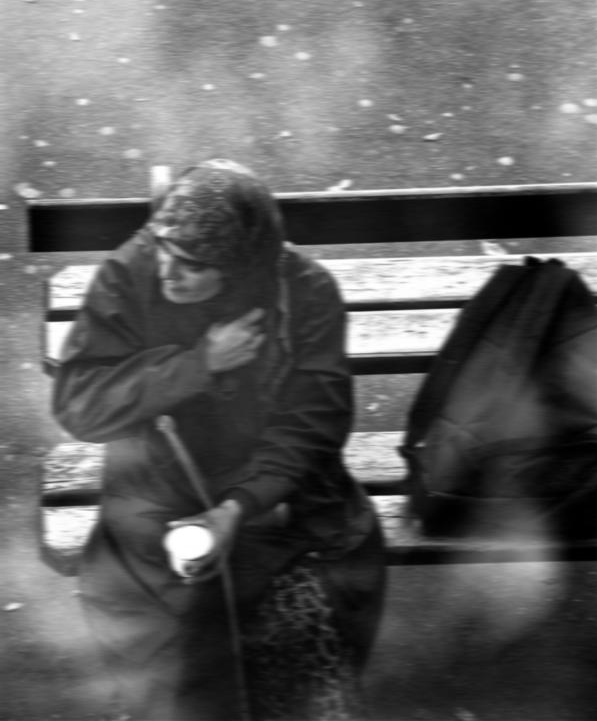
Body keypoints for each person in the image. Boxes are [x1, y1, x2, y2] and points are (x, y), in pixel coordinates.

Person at [52, 159, 386, 721]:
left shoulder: (305, 292)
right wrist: (197, 364)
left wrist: (241, 507)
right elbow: (79, 405)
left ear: (239, 272)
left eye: (191, 265)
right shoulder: (130, 275)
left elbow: (312, 424)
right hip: (156, 500)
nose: (166, 271)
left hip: (277, 506)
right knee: (180, 668)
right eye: (162, 248)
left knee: (305, 646)